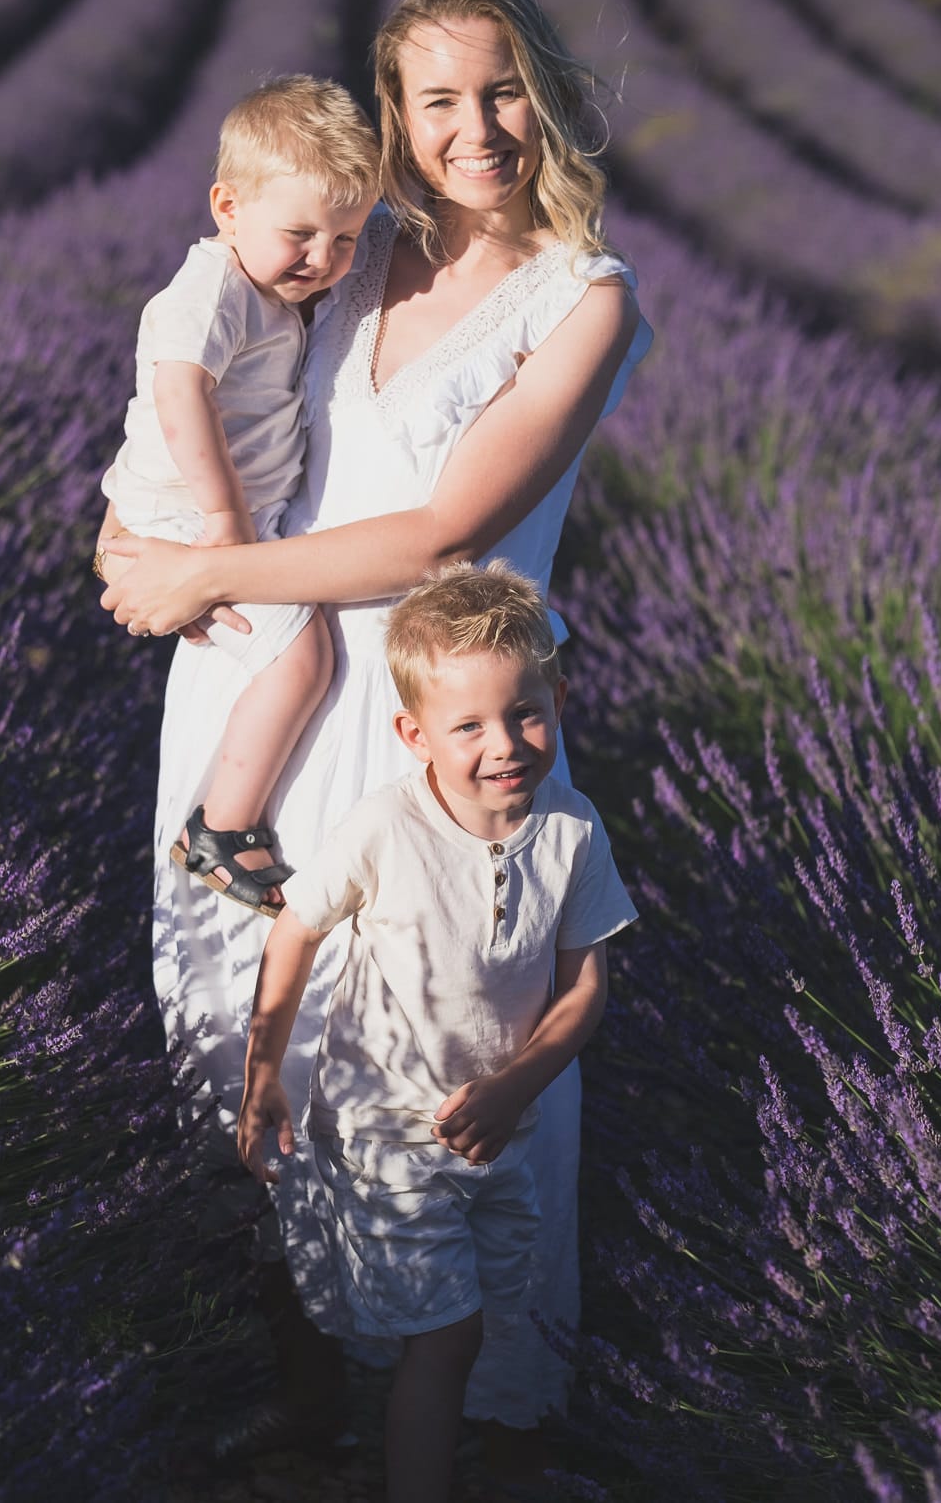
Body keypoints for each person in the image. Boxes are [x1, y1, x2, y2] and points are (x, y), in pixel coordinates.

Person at [102, 0, 654, 1462]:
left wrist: (205, 569)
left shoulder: (585, 300)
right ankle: (300, 1397)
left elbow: (442, 535)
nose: (479, 127)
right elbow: (198, 390)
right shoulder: (349, 250)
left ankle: (445, 1432)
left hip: (434, 733)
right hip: (262, 702)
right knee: (252, 1040)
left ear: (549, 94)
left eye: (504, 90)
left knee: (434, 1059)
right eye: (439, 99)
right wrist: (132, 534)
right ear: (396, 119)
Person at [239, 564, 632, 1503]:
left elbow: (585, 986)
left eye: (525, 713)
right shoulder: (386, 825)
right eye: (469, 726)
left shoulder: (573, 829)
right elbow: (294, 929)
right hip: (388, 1129)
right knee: (447, 1337)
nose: (505, 744)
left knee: (486, 1320)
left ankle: (451, 1451)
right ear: (415, 735)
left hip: (498, 1129)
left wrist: (516, 1085)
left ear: (559, 700)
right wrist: (264, 1074)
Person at [97, 75, 378, 915]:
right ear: (227, 207)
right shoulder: (213, 289)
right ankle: (220, 827)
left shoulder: (269, 291)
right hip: (191, 517)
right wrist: (225, 524)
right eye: (300, 233)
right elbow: (179, 390)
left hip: (216, 515)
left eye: (346, 239)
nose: (323, 258)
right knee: (303, 656)